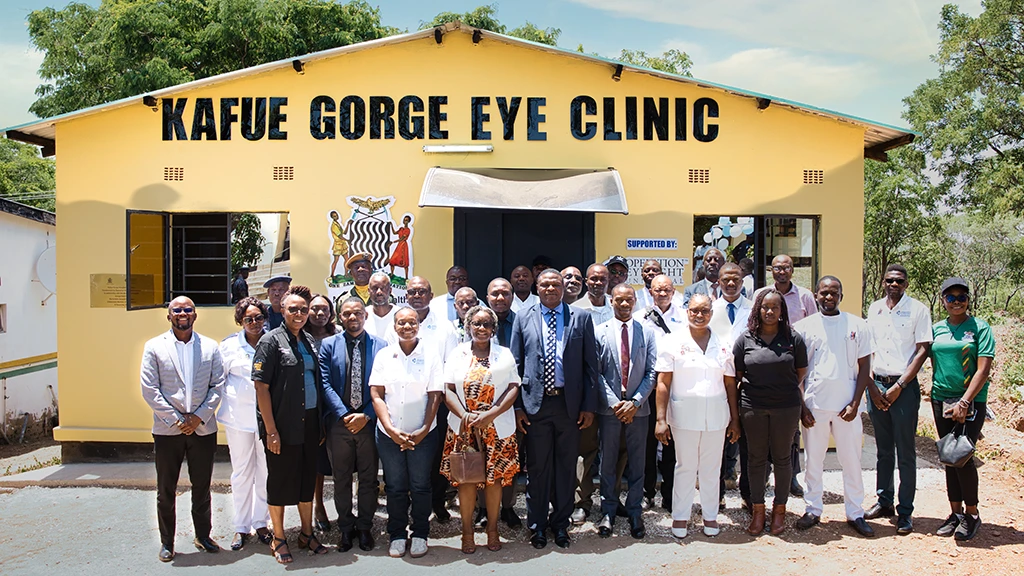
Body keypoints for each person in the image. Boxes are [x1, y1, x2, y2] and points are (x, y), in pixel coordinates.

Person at [511, 269, 598, 549]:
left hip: (568, 406)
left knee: (565, 468)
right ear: (537, 287)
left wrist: (588, 406)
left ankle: (561, 524)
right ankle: (536, 526)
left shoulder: (580, 317)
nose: (550, 289)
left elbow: (589, 366)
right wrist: (518, 407)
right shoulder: (523, 317)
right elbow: (516, 364)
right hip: (535, 405)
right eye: (545, 284)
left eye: (556, 284)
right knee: (537, 469)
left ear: (564, 288)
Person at [140, 296, 225, 562]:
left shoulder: (210, 347)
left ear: (195, 315)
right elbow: (150, 389)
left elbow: (218, 386)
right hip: (168, 431)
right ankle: (167, 542)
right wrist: (177, 420)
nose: (183, 314)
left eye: (188, 310)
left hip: (203, 429)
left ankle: (203, 536)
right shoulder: (154, 347)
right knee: (166, 489)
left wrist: (198, 418)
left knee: (202, 486)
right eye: (177, 310)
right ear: (169, 316)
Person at [793, 276, 875, 538]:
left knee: (850, 460)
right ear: (816, 295)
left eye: (834, 293)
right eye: (824, 293)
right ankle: (813, 509)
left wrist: (855, 403)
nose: (828, 297)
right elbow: (796, 371)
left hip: (847, 406)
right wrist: (803, 405)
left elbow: (865, 368)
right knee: (813, 460)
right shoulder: (803, 327)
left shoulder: (858, 325)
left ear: (842, 295)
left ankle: (855, 512)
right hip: (815, 404)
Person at [654, 294, 740, 538]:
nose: (699, 315)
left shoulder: (723, 343)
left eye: (704, 311)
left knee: (712, 468)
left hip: (716, 416)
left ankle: (710, 516)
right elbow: (663, 382)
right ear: (686, 312)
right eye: (694, 311)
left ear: (711, 313)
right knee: (685, 467)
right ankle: (680, 516)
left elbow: (730, 383)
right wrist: (661, 420)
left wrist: (735, 419)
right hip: (684, 416)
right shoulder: (672, 341)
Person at [252, 285, 327, 563]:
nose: (299, 314)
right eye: (293, 309)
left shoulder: (307, 340)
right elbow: (261, 388)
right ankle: (280, 537)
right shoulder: (270, 341)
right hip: (282, 427)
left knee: (307, 479)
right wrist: (271, 431)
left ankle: (307, 533)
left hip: (309, 424)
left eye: (303, 309)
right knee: (281, 481)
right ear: (282, 310)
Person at [441, 305, 522, 554]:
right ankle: (467, 533)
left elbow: (513, 387)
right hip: (464, 428)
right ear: (468, 327)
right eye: (477, 324)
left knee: (494, 481)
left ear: (494, 328)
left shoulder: (504, 354)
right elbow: (447, 389)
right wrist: (466, 416)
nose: (482, 328)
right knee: (466, 480)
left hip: (496, 428)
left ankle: (493, 530)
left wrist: (491, 414)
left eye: (487, 324)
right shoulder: (457, 354)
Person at [370, 307, 445, 559]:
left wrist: (424, 429)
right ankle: (397, 534)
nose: (407, 327)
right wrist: (390, 429)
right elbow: (377, 394)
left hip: (423, 434)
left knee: (421, 485)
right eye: (401, 323)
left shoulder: (431, 355)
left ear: (418, 326)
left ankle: (421, 533)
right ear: (394, 327)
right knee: (395, 486)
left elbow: (435, 395)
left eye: (411, 322)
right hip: (389, 434)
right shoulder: (383, 355)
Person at [733, 288, 808, 536]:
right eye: (765, 307)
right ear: (758, 309)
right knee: (755, 459)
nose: (769, 311)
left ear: (782, 311)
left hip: (785, 407)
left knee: (782, 458)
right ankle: (757, 511)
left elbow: (800, 372)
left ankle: (779, 511)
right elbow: (739, 375)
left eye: (775, 307)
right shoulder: (746, 339)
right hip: (752, 406)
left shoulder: (793, 338)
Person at [864, 264, 932, 534]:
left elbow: (922, 350)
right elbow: (867, 348)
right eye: (890, 280)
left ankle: (905, 511)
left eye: (899, 281)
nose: (894, 284)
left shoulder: (918, 310)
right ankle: (884, 501)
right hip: (877, 384)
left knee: (905, 452)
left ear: (906, 283)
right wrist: (871, 384)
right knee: (882, 450)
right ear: (883, 282)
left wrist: (900, 386)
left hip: (903, 388)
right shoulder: (875, 308)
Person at [385, 276, 459, 522]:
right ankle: (406, 505)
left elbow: (451, 365)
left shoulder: (445, 326)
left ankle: (437, 502)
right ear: (406, 295)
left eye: (422, 292)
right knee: (402, 454)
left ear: (431, 294)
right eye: (412, 292)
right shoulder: (395, 324)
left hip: (436, 401)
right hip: (402, 402)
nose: (417, 296)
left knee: (435, 455)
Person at [318, 296, 387, 552]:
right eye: (347, 314)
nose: (353, 318)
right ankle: (346, 529)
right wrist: (344, 414)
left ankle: (365, 527)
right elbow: (324, 383)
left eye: (357, 313)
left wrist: (366, 414)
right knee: (341, 478)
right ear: (340, 317)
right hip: (339, 423)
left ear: (365, 315)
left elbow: (384, 385)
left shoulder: (381, 346)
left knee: (369, 479)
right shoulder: (328, 345)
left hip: (369, 422)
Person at [929, 277, 994, 542]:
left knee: (963, 456)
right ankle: (954, 513)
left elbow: (984, 368)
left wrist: (965, 401)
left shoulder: (980, 327)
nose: (957, 302)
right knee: (948, 455)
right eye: (951, 297)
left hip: (970, 401)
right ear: (943, 300)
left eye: (962, 297)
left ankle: (972, 514)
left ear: (968, 299)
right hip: (940, 398)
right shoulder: (936, 329)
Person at [594, 284, 656, 540]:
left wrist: (636, 402)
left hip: (638, 411)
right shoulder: (599, 332)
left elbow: (652, 372)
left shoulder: (648, 333)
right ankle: (607, 511)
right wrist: (614, 402)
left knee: (637, 464)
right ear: (611, 301)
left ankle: (634, 511)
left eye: (628, 299)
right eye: (619, 300)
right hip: (610, 410)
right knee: (607, 462)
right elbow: (595, 373)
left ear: (635, 301)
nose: (624, 304)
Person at [752, 254, 817, 498]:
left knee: (791, 430)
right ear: (771, 270)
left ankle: (791, 478)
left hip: (793, 364)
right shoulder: (761, 294)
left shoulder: (806, 296)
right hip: (765, 364)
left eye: (786, 267)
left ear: (792, 270)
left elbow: (813, 328)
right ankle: (766, 475)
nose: (782, 271)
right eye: (777, 267)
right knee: (765, 428)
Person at [218, 297, 273, 551]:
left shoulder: (273, 342)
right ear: (240, 320)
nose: (254, 323)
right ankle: (241, 526)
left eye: (259, 318)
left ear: (265, 319)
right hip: (238, 419)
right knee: (241, 472)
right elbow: (218, 381)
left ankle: (261, 522)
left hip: (268, 419)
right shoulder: (228, 346)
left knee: (265, 471)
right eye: (248, 319)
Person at [633, 273, 686, 511]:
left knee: (671, 445)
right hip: (647, 388)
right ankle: (647, 492)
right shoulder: (639, 318)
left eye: (666, 290)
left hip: (674, 387)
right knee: (645, 443)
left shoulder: (685, 318)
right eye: (657, 290)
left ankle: (669, 494)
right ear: (650, 292)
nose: (662, 294)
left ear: (673, 292)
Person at [570, 262, 613, 524]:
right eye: (593, 279)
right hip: (586, 394)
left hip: (616, 395)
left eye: (602, 279)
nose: (598, 283)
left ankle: (611, 500)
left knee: (614, 450)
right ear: (586, 282)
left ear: (609, 281)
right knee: (584, 451)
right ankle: (581, 502)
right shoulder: (574, 311)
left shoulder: (619, 306)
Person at [708, 262, 751, 503]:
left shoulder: (753, 309)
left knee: (746, 441)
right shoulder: (711, 310)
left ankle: (747, 493)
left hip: (747, 384)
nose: (731, 284)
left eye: (736, 279)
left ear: (743, 282)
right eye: (726, 280)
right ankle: (718, 495)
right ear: (719, 282)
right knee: (718, 442)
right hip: (719, 383)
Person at [483, 277, 523, 527]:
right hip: (480, 403)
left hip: (513, 400)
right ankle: (482, 509)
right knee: (480, 457)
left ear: (512, 296)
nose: (500, 298)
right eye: (495, 294)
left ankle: (507, 507)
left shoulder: (523, 320)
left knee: (510, 458)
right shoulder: (478, 322)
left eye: (505, 293)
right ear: (487, 297)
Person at [306, 293, 338, 532]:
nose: (319, 313)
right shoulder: (301, 337)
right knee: (316, 462)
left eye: (324, 309)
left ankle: (346, 508)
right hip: (311, 407)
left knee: (341, 462)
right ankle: (319, 506)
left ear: (331, 313)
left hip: (336, 406)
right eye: (314, 309)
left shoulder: (338, 336)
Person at [364, 271, 397, 338]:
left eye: (383, 288)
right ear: (368, 291)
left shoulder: (400, 314)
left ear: (390, 290)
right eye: (375, 288)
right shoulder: (362, 315)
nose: (379, 292)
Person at [388, 214, 413, 279]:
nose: (405, 221)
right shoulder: (401, 229)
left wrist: (393, 242)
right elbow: (394, 233)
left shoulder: (408, 230)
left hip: (403, 245)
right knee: (392, 260)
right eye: (404, 220)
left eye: (407, 220)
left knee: (405, 262)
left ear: (409, 221)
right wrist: (391, 225)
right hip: (399, 245)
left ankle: (406, 277)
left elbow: (402, 238)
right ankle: (392, 274)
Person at [329, 210, 353, 278]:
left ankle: (346, 274)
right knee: (336, 260)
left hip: (342, 244)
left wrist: (348, 224)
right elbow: (340, 236)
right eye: (334, 216)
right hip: (338, 245)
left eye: (336, 215)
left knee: (347, 259)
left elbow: (344, 233)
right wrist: (347, 240)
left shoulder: (338, 224)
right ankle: (332, 275)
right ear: (332, 217)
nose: (336, 217)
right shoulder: (334, 225)